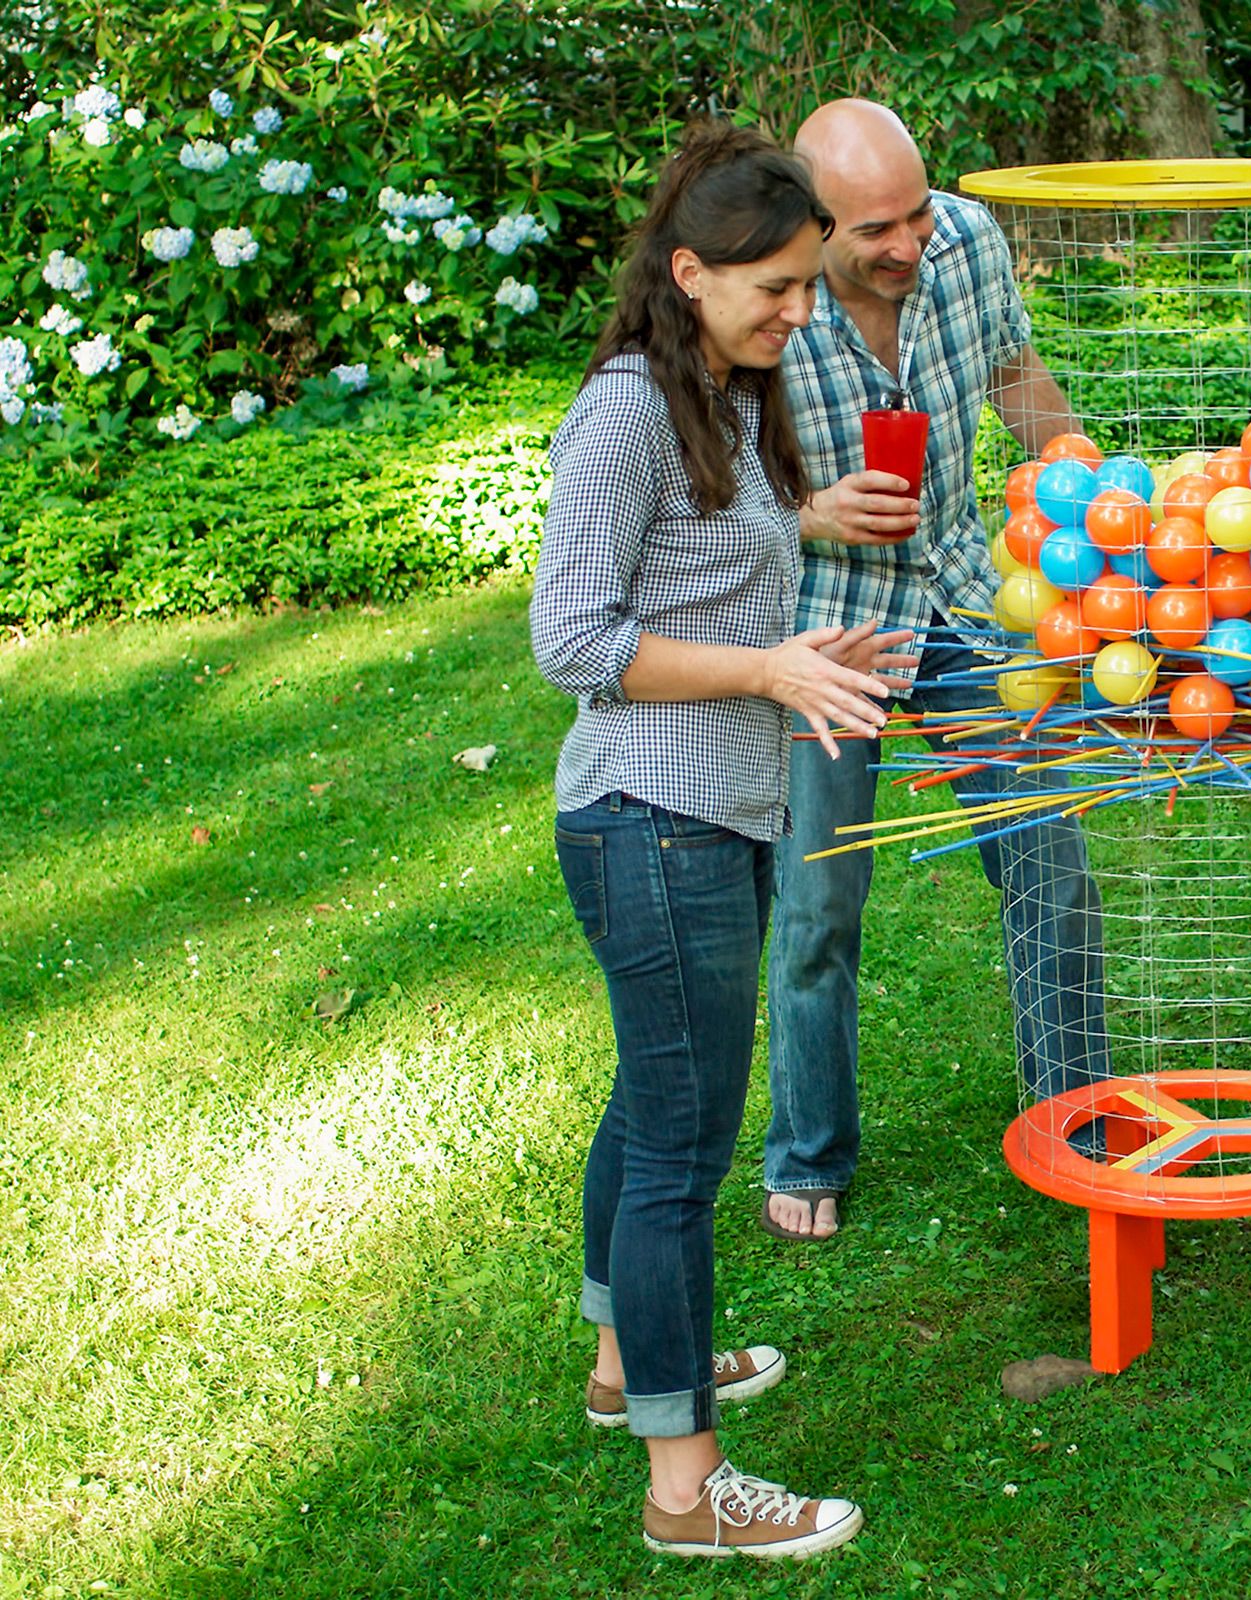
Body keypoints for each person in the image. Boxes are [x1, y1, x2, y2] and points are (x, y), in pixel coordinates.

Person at [531, 119, 912, 1557]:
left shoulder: (717, 388)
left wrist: (801, 631)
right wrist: (766, 672)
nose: (801, 315)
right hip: (653, 822)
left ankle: (629, 1368)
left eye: (811, 287)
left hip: (707, 815)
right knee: (683, 1157)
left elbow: (696, 577)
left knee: (649, 1109)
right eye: (780, 290)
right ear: (689, 271)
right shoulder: (630, 408)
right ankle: (685, 1490)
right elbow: (573, 638)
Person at [761, 99, 1109, 1243]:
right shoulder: (757, 295)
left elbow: (1011, 370)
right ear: (811, 224)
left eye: (915, 213)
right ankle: (810, 1151)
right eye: (874, 230)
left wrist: (1085, 479)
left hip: (962, 591)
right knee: (817, 902)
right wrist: (812, 512)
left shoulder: (964, 241)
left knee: (1050, 855)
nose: (907, 243)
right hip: (825, 630)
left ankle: (1077, 1117)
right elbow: (703, 488)